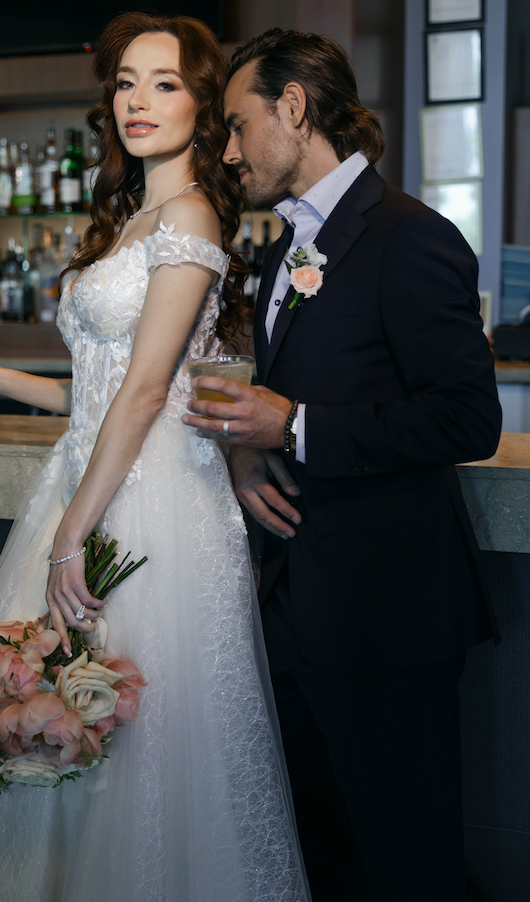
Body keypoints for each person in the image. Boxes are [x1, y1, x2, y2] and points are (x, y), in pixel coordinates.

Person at [0, 17, 309, 902]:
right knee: (65, 717)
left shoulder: (188, 214)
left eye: (166, 83)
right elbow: (103, 394)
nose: (137, 102)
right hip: (90, 481)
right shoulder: (129, 218)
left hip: (153, 507)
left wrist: (71, 531)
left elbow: (148, 395)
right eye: (125, 83)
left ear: (204, 103)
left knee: (139, 733)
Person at [183, 28, 502, 902]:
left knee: (407, 862)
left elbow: (469, 416)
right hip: (292, 605)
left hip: (385, 614)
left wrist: (297, 427)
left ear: (295, 108)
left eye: (239, 126)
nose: (231, 150)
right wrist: (253, 452)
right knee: (303, 850)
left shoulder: (409, 236)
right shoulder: (284, 246)